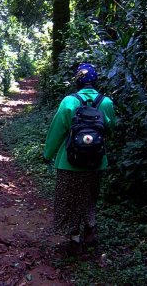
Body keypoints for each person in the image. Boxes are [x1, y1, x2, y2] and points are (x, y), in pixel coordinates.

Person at [43, 63, 116, 255]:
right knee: (90, 195)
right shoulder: (106, 102)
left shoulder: (69, 101)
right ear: (95, 80)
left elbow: (57, 130)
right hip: (96, 161)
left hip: (69, 162)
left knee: (69, 199)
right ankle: (90, 228)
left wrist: (47, 155)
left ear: (78, 80)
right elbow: (111, 128)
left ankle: (75, 240)